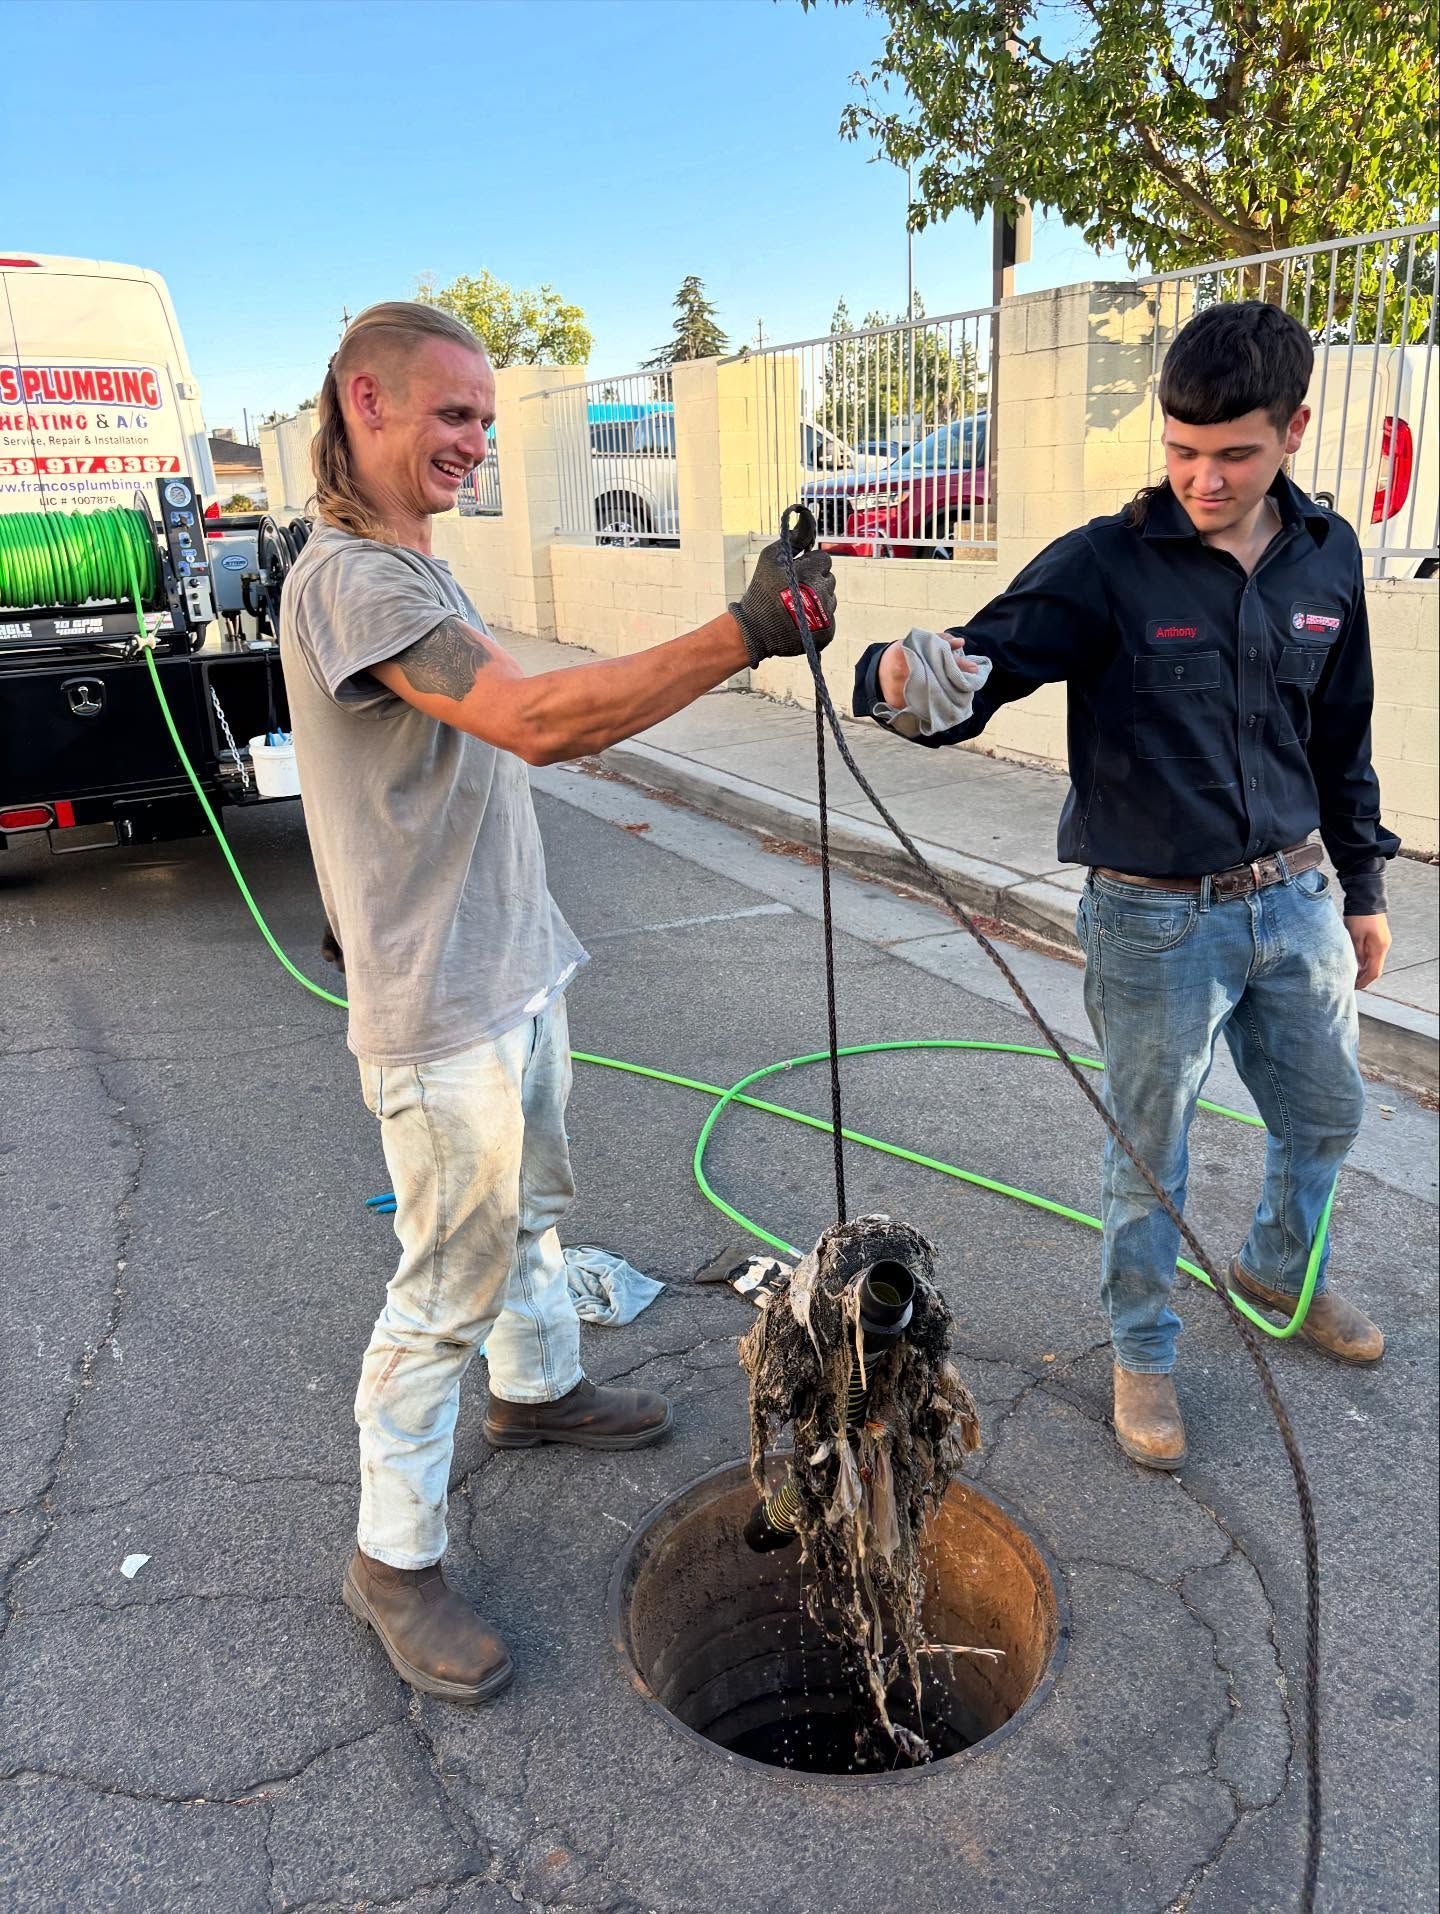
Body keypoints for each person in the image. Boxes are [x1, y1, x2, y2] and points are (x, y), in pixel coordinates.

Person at [279, 301, 836, 1702]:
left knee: (530, 1211)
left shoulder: (420, 565)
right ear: (365, 401)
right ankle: (391, 1559)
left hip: (510, 965)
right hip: (442, 1009)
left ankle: (537, 1392)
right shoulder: (355, 577)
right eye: (446, 413)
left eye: (481, 417)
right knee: (442, 1276)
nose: (470, 440)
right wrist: (742, 630)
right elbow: (538, 721)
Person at [854, 301, 1393, 1471]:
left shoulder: (1329, 556)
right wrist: (902, 676)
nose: (1203, 476)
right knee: (1153, 1150)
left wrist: (1362, 889)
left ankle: (1277, 1272)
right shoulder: (1104, 564)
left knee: (1328, 1115)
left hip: (1297, 901)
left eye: (1234, 453)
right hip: (1156, 920)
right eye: (1182, 449)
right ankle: (1143, 1351)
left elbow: (1341, 738)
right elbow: (974, 672)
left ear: (1293, 430)